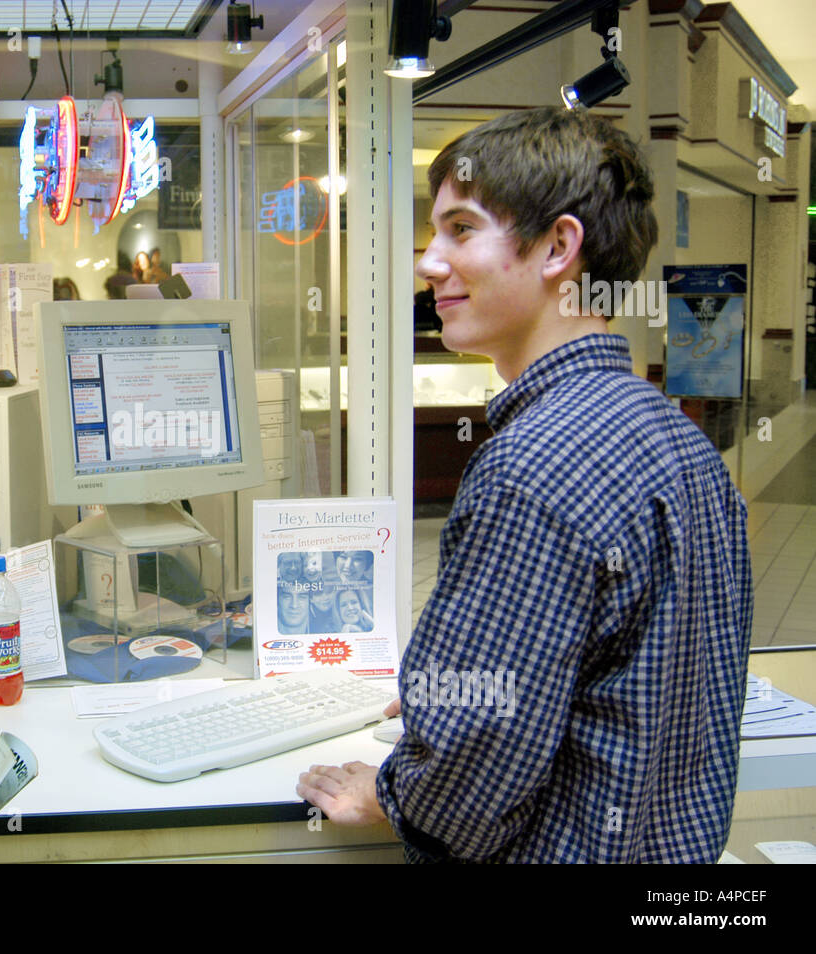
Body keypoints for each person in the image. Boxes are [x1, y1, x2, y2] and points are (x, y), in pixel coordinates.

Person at [298, 107, 752, 862]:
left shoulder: (530, 467)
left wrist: (396, 788)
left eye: (462, 229)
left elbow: (470, 781)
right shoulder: (682, 441)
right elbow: (639, 680)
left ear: (558, 248)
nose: (428, 262)